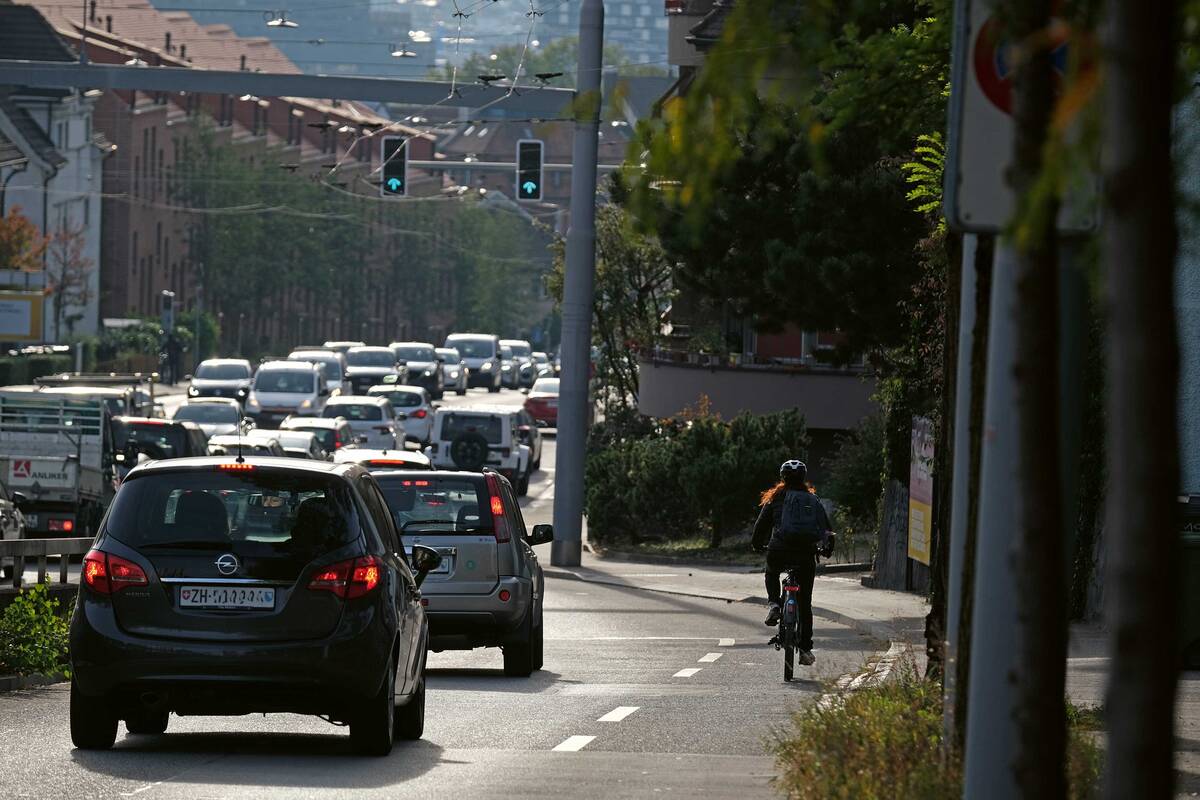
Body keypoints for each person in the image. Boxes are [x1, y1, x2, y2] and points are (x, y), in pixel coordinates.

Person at [752, 460, 835, 667]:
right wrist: (827, 549)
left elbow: (761, 526)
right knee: (805, 604)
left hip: (779, 550)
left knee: (771, 572)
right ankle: (805, 650)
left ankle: (774, 604)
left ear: (783, 478)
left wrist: (757, 544)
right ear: (803, 478)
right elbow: (826, 528)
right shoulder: (811, 499)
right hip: (805, 554)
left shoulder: (775, 498)